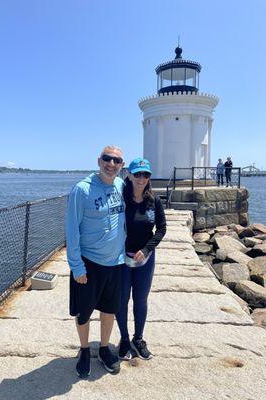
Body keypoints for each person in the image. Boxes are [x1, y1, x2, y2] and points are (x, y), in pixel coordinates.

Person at [66, 145, 125, 378]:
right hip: (88, 264)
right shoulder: (82, 190)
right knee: (84, 312)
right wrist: (76, 266)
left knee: (110, 310)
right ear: (99, 160)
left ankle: (103, 348)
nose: (111, 164)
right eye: (107, 159)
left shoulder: (121, 185)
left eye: (117, 160)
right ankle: (83, 350)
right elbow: (71, 230)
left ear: (122, 165)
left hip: (116, 262)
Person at [116, 157, 166, 361]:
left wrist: (146, 250)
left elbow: (161, 228)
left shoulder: (154, 200)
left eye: (146, 174)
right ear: (129, 174)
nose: (142, 178)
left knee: (141, 299)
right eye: (138, 174)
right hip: (122, 259)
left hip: (145, 259)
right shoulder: (120, 198)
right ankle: (125, 339)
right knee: (122, 300)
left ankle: (138, 338)